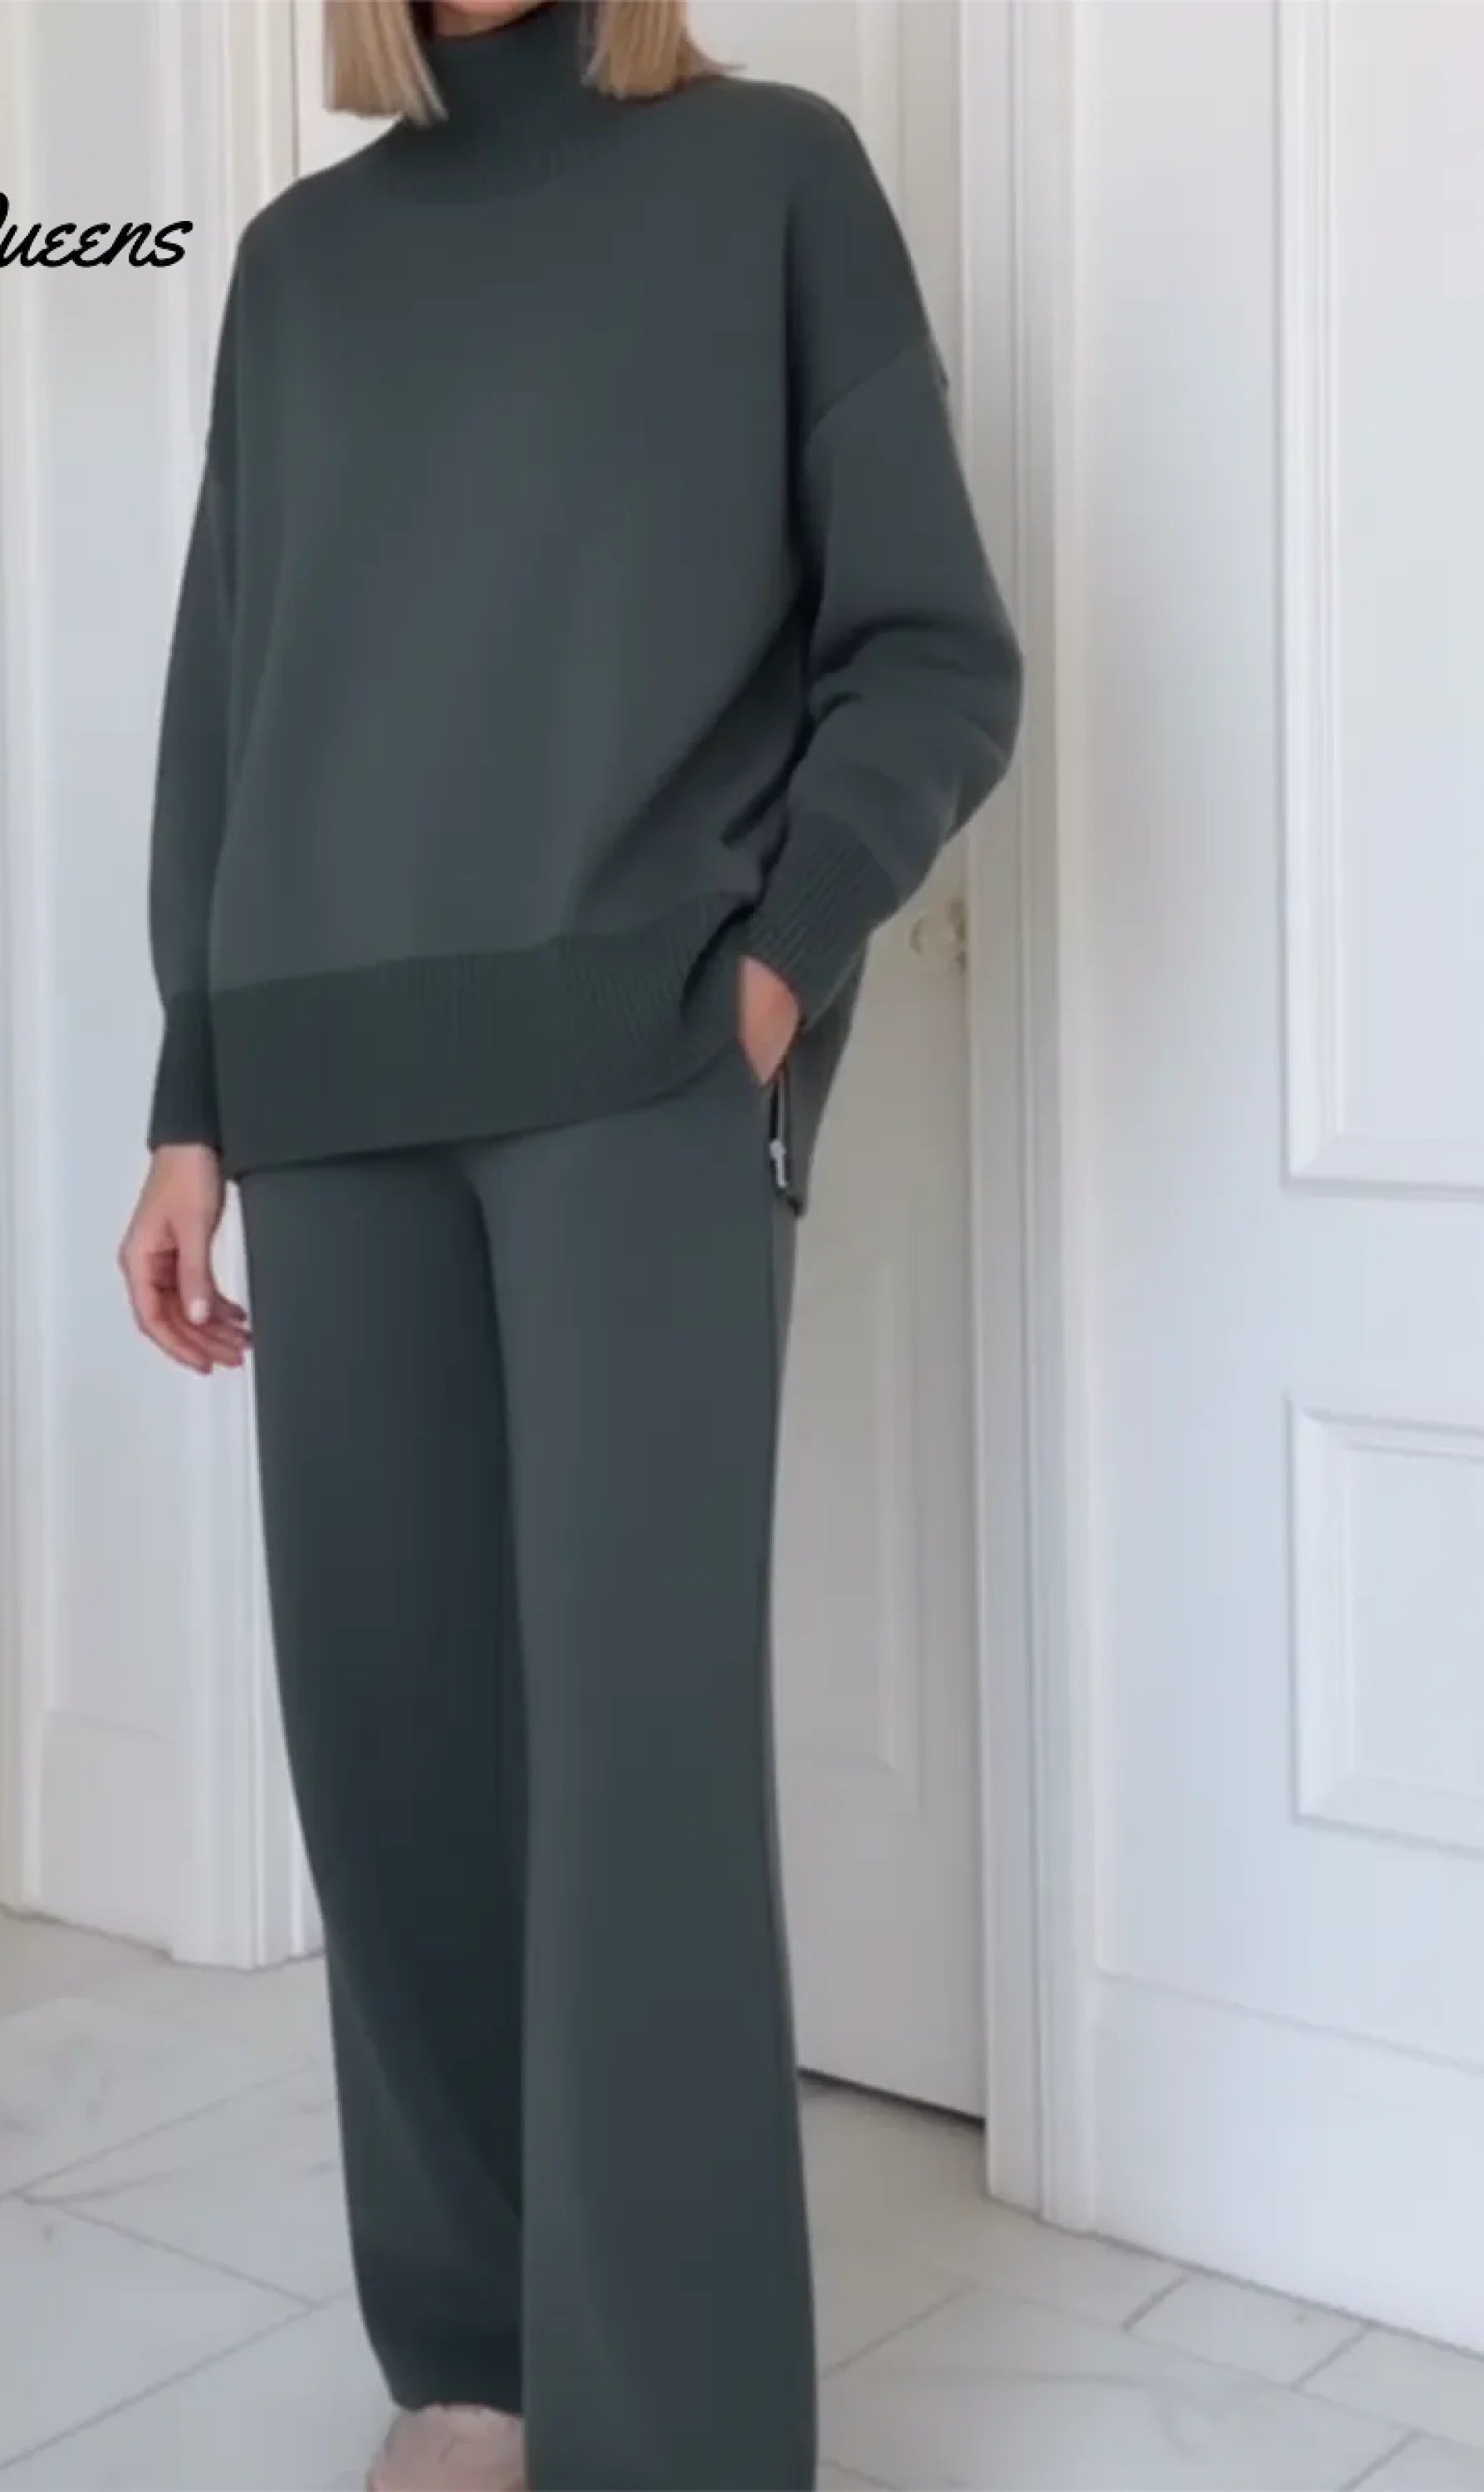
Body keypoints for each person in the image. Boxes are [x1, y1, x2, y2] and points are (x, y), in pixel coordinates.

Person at [118, 2, 1021, 2484]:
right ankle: (477, 2365)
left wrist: (770, 971)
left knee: (637, 1777)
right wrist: (194, 1101)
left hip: (635, 1080)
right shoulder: (300, 268)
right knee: (391, 1757)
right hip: (327, 1094)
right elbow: (227, 712)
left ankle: (681, 2437)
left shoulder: (770, 181)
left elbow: (932, 652)